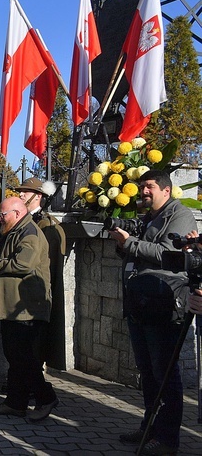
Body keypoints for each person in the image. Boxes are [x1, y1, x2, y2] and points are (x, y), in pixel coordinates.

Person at [107, 170, 195, 455]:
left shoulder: (179, 216)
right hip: (140, 301)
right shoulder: (147, 216)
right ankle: (150, 427)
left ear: (166, 191)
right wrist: (124, 245)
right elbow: (139, 253)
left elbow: (168, 254)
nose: (143, 191)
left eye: (150, 187)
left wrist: (129, 243)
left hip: (162, 304)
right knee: (147, 372)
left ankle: (168, 440)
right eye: (142, 186)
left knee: (165, 373)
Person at [0, 197, 58, 422]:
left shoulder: (30, 234)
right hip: (14, 307)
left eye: (2, 214)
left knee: (25, 358)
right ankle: (16, 403)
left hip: (26, 307)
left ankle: (46, 398)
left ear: (17, 214)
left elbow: (22, 265)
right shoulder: (14, 231)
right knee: (14, 356)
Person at [15, 177, 67, 369]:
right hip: (20, 290)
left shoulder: (48, 226)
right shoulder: (20, 221)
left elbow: (49, 268)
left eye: (25, 192)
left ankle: (34, 383)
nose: (20, 195)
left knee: (34, 343)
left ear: (38, 196)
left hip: (35, 292)